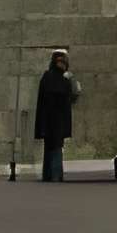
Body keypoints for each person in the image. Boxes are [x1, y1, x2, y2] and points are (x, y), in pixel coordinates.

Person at [35, 50, 77, 182]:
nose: (62, 64)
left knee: (51, 146)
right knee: (56, 147)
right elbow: (66, 96)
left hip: (50, 119)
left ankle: (49, 175)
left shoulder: (48, 77)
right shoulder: (58, 79)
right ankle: (55, 174)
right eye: (60, 61)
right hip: (56, 118)